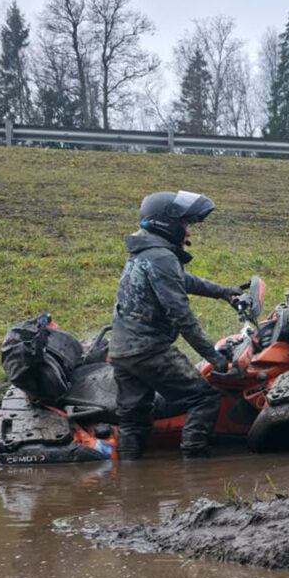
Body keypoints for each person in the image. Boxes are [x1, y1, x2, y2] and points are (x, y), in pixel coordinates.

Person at [108, 191, 242, 459]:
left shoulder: (146, 251)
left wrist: (225, 291)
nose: (188, 233)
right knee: (204, 398)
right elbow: (183, 317)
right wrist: (213, 357)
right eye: (185, 224)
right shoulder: (161, 256)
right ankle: (196, 467)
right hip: (149, 351)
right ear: (166, 222)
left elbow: (183, 280)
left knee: (134, 420)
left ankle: (129, 482)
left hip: (122, 351)